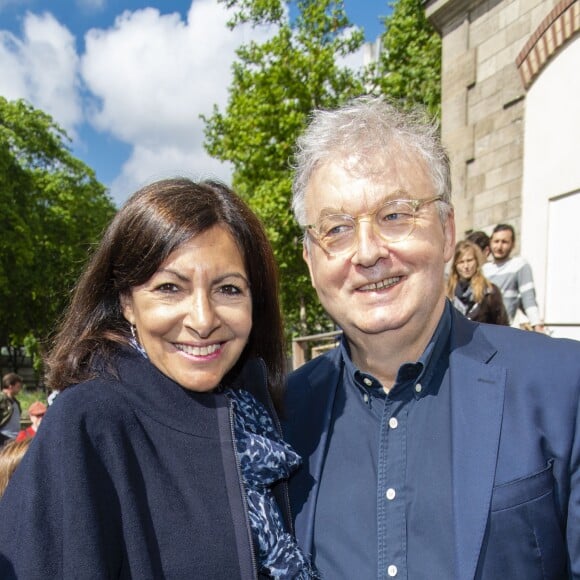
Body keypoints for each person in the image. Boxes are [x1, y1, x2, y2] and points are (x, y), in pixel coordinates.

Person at [284, 95, 580, 579]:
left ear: (447, 231)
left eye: (395, 215)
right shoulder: (283, 417)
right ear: (311, 260)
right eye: (336, 228)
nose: (367, 252)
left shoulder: (563, 386)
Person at [0, 178, 315, 579]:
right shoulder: (90, 423)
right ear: (127, 302)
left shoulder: (262, 424)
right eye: (170, 288)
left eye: (228, 289)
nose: (203, 320)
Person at [482, 223, 545, 332]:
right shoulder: (483, 269)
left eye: (504, 242)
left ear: (513, 244)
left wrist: (537, 326)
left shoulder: (519, 265)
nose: (499, 246)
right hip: (481, 329)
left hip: (503, 329)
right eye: (496, 241)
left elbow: (528, 298)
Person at [446, 240, 509, 325]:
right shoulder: (447, 293)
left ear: (476, 261)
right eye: (461, 262)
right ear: (455, 265)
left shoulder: (489, 292)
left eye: (469, 260)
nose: (466, 266)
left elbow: (502, 325)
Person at [0, 373, 23, 447]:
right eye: (18, 386)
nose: (19, 389)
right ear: (10, 386)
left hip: (14, 438)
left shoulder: (15, 401)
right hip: (4, 438)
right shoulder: (1, 399)